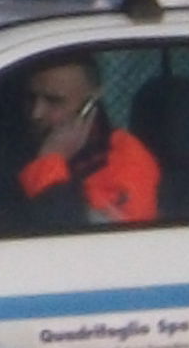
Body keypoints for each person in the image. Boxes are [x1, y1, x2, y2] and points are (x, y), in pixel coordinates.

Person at [14, 56, 161, 228]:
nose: (36, 113)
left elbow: (76, 237)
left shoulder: (124, 161)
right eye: (31, 98)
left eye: (54, 101)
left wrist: (49, 163)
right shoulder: (18, 147)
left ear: (89, 104)